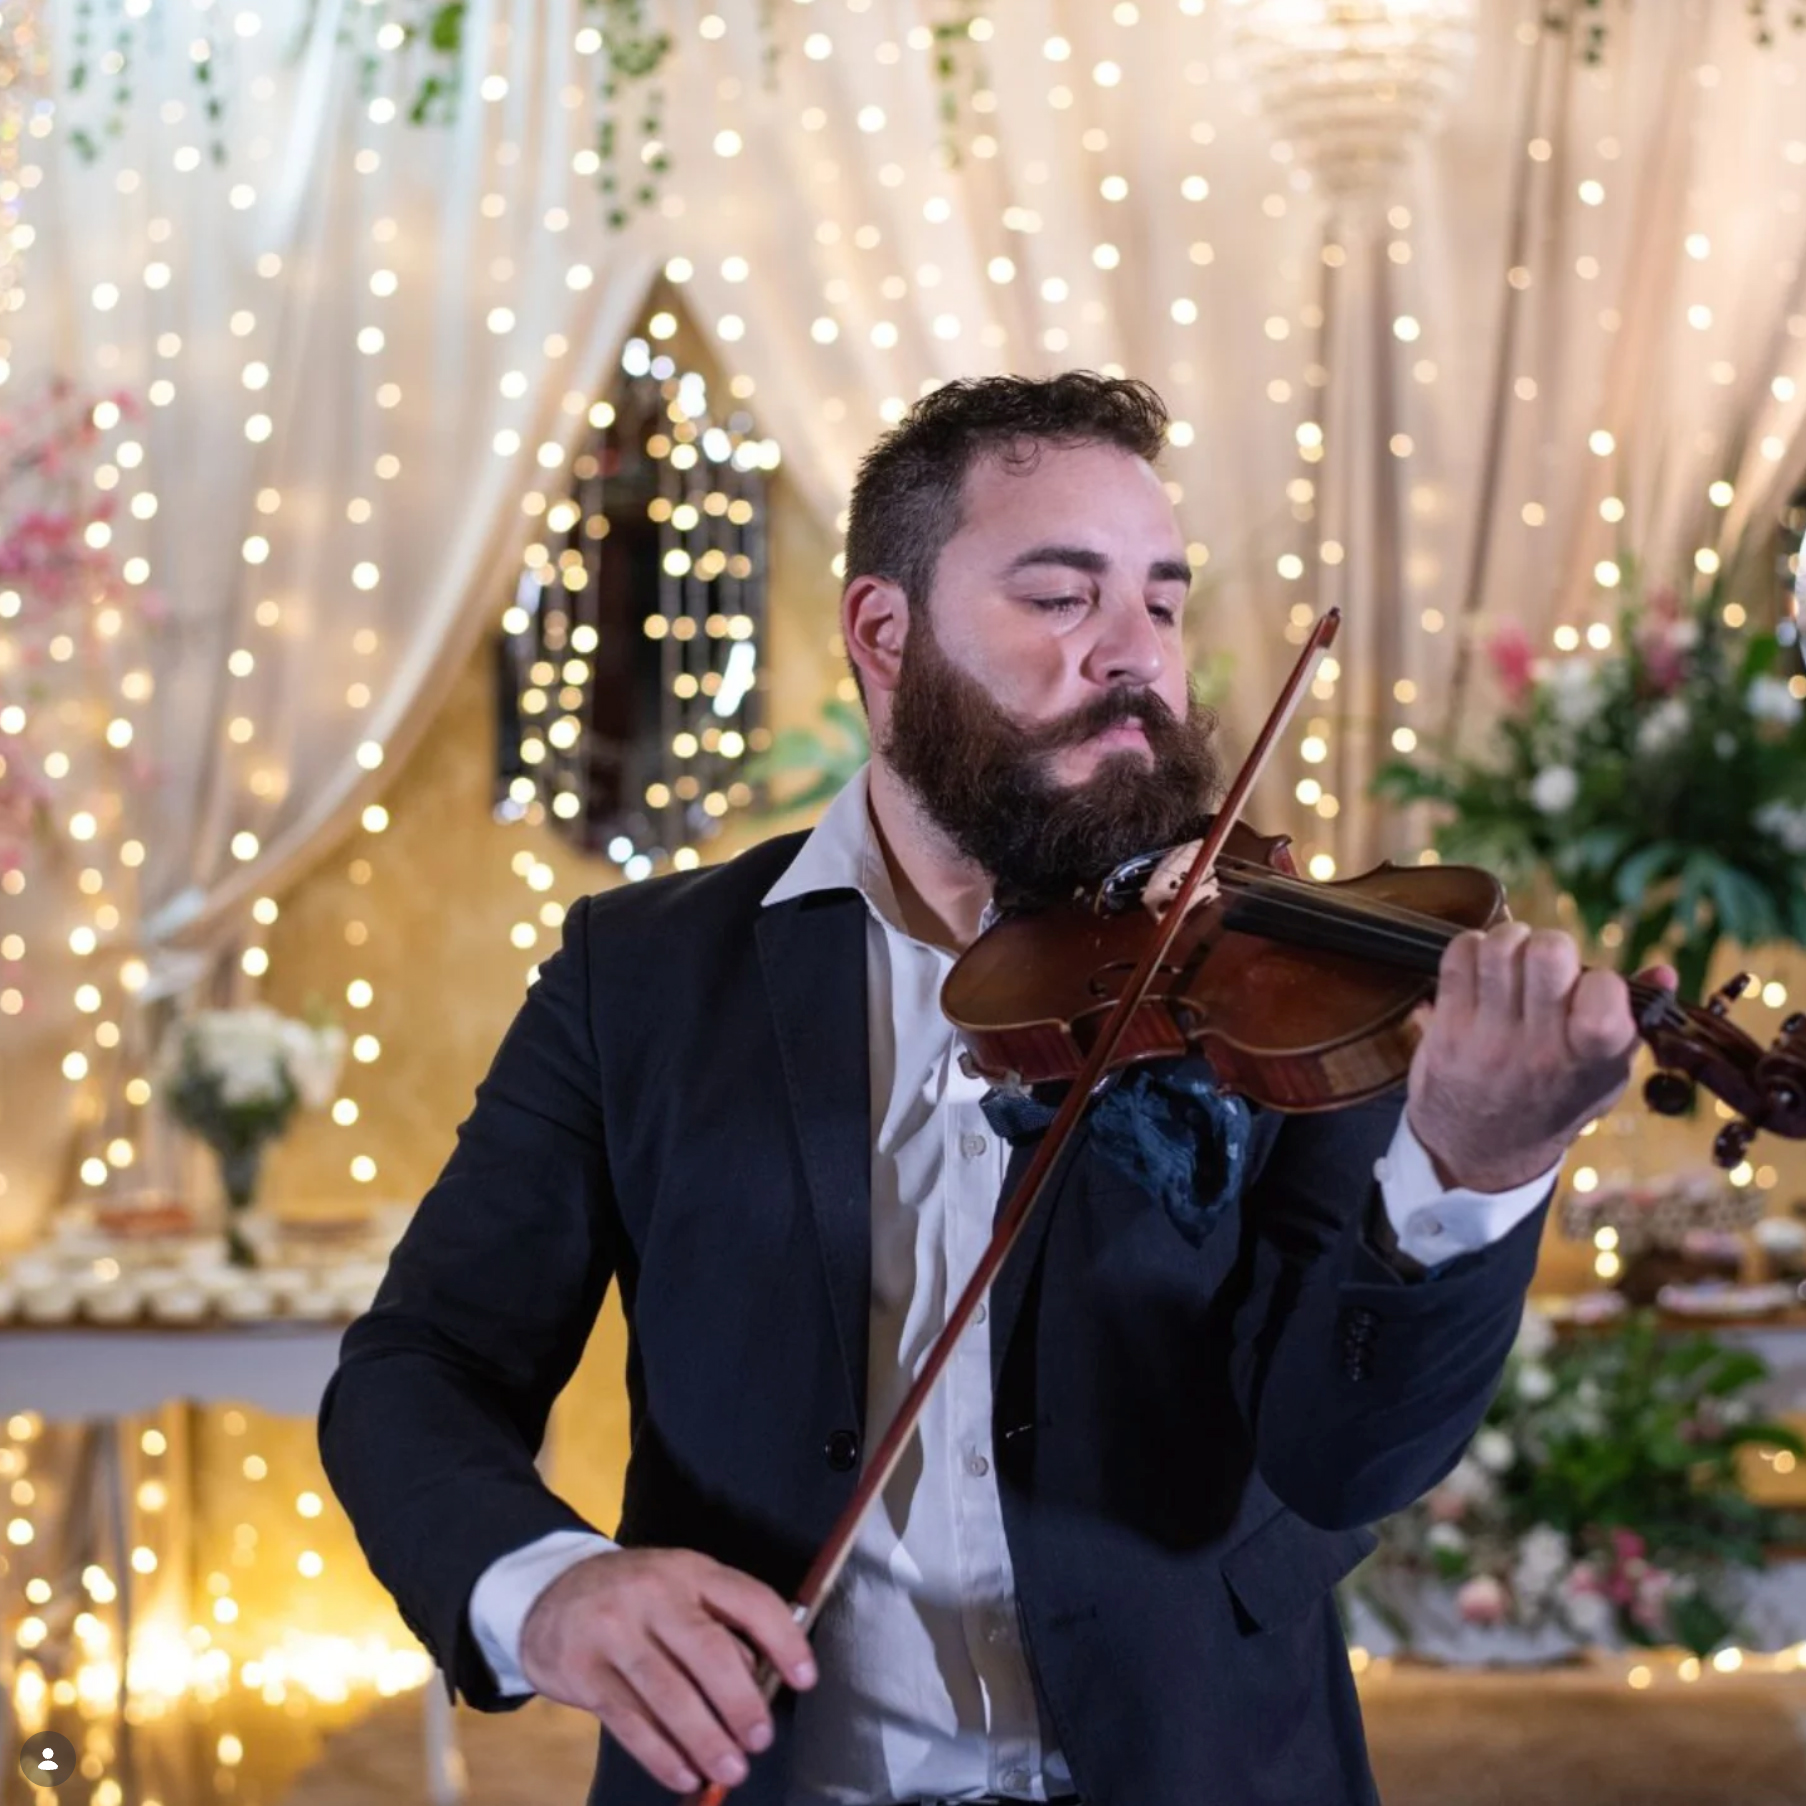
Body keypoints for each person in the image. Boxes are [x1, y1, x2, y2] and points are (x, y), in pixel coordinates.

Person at [318, 372, 1671, 1806]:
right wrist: (550, 1588)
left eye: (1159, 600)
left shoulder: (1271, 970)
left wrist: (1471, 1169)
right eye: (1059, 597)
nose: (1132, 656)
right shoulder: (641, 976)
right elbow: (418, 1372)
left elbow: (1346, 1462)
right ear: (881, 631)